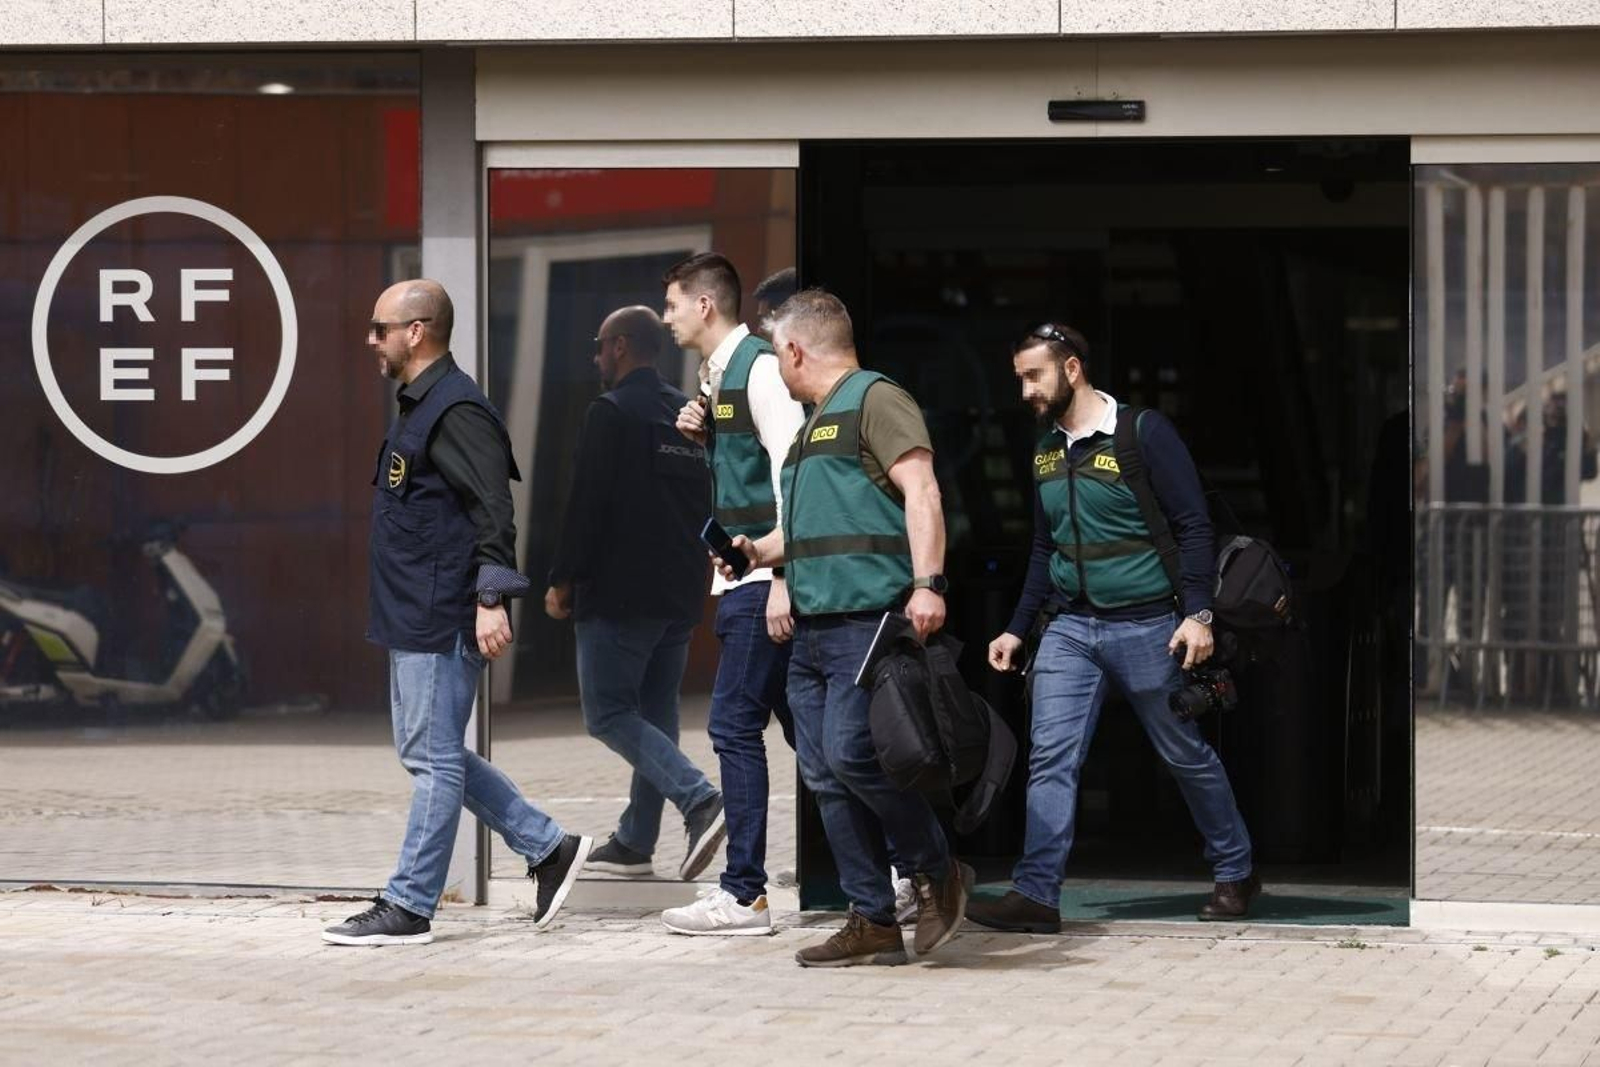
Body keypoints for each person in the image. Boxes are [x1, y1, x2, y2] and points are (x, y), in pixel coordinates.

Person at [324, 280, 589, 947]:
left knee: (434, 760)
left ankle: (409, 903)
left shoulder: (457, 409)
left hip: (441, 611)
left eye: (380, 328)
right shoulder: (420, 405)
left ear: (416, 331)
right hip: (412, 609)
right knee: (429, 751)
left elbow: (495, 510)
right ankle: (549, 847)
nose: (371, 340)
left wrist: (491, 599)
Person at [971, 323, 1257, 935]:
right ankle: (1036, 894)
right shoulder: (1046, 451)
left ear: (1072, 369)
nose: (1024, 390)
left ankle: (1235, 869)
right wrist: (1017, 629)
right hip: (1070, 629)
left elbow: (1194, 526)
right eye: (1019, 378)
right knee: (1051, 758)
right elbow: (1044, 547)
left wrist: (1199, 614)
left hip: (1151, 625)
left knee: (1183, 753)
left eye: (1033, 376)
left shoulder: (1141, 433)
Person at [716, 288, 967, 968]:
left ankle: (936, 865)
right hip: (812, 628)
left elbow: (923, 490)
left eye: (777, 354)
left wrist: (929, 582)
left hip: (867, 619)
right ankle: (873, 918)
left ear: (796, 350)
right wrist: (755, 552)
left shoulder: (876, 398)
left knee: (853, 755)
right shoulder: (810, 429)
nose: (778, 367)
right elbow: (807, 533)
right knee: (824, 772)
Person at [544, 306, 727, 882]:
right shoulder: (684, 412)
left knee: (608, 714)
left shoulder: (611, 412)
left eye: (600, 345)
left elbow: (587, 503)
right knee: (655, 716)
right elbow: (708, 500)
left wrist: (562, 579)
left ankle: (700, 800)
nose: (596, 356)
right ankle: (635, 841)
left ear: (620, 346)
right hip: (677, 594)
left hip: (620, 595)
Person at [657, 254, 805, 935]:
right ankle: (909, 867)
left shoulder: (761, 369)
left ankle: (744, 893)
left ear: (705, 305)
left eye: (673, 304)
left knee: (733, 727)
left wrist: (781, 579)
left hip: (764, 579)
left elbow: (792, 473)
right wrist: (706, 431)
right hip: (745, 577)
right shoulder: (718, 377)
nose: (667, 317)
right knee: (816, 738)